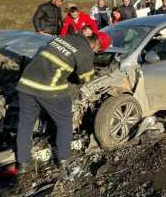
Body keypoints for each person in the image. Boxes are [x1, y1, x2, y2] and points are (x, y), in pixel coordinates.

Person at [16, 31, 111, 173]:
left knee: (25, 124)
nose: (97, 52)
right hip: (49, 89)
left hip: (26, 84)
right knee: (64, 122)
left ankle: (22, 163)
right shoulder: (86, 51)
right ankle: (63, 158)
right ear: (97, 46)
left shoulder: (63, 38)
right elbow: (85, 79)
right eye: (98, 50)